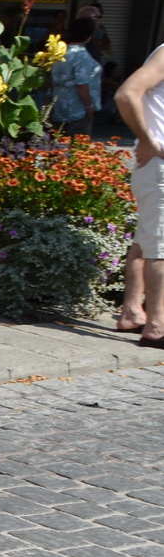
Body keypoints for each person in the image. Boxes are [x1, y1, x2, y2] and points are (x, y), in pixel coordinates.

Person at [114, 43, 164, 346]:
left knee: (146, 239)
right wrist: (148, 140)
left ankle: (132, 312)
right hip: (158, 164)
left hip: (155, 165)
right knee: (160, 245)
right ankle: (158, 326)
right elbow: (126, 94)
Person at [51, 17, 102, 138]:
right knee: (78, 150)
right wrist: (89, 107)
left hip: (59, 106)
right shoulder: (81, 56)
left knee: (59, 147)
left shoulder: (60, 53)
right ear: (89, 36)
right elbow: (82, 85)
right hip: (77, 110)